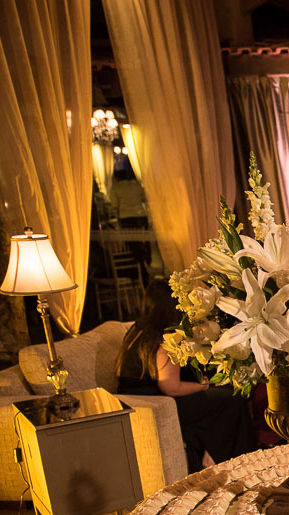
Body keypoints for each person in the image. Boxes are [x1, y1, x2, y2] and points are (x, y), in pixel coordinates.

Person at [116, 281, 258, 474]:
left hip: (136, 399)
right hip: (156, 402)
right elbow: (171, 387)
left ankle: (213, 451)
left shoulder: (138, 329)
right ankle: (229, 459)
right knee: (233, 399)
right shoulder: (165, 338)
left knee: (223, 396)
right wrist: (202, 386)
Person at [109, 168, 150, 271]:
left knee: (133, 242)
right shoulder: (135, 185)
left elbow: (114, 205)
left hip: (126, 217)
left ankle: (140, 264)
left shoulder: (116, 188)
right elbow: (144, 198)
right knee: (144, 239)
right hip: (141, 215)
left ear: (116, 178)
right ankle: (147, 262)